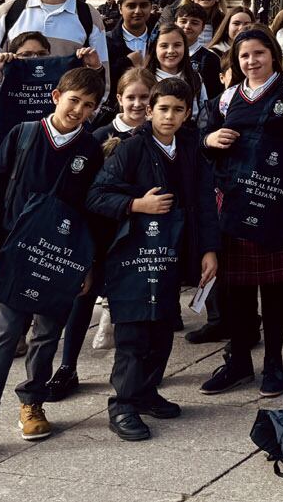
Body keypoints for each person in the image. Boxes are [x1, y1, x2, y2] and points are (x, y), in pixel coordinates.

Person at [0, 65, 106, 465]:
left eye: (88, 106)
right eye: (73, 101)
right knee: (4, 334)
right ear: (56, 96)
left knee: (47, 333)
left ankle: (32, 401)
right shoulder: (24, 134)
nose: (79, 110)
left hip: (60, 256)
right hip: (17, 249)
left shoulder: (89, 149)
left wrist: (85, 264)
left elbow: (91, 211)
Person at [87, 76, 220, 440]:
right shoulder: (130, 149)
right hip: (132, 256)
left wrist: (209, 250)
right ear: (149, 111)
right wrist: (136, 204)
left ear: (188, 113)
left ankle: (146, 392)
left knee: (162, 327)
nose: (169, 116)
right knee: (133, 331)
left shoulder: (191, 148)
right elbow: (96, 196)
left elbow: (206, 202)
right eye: (162, 109)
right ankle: (123, 404)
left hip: (171, 254)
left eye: (178, 110)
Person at [199, 27, 283, 397]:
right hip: (234, 203)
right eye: (244, 56)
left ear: (273, 54)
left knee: (273, 285)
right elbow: (199, 143)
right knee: (234, 286)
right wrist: (209, 139)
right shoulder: (225, 100)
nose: (252, 61)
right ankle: (238, 361)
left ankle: (273, 363)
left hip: (277, 201)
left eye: (259, 53)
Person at [46, 66, 155, 401]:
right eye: (131, 97)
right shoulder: (98, 136)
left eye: (145, 98)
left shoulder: (158, 135)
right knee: (83, 297)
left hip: (139, 231)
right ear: (119, 98)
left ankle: (131, 370)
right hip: (98, 228)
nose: (137, 104)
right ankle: (67, 367)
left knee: (130, 303)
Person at [105, 0, 156, 71]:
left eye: (143, 5)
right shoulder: (106, 42)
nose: (138, 11)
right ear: (120, 8)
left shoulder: (160, 41)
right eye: (131, 6)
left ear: (151, 7)